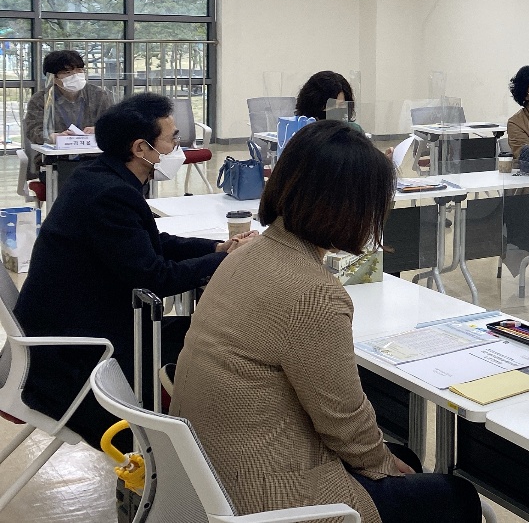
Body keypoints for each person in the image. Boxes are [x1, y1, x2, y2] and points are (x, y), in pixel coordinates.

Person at [173, 121, 482, 523]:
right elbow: (343, 419)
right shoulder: (313, 293)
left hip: (209, 470)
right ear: (350, 209)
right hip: (267, 492)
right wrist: (382, 464)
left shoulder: (246, 254)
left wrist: (381, 459)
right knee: (457, 495)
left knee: (402, 456)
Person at [13, 92, 256, 449]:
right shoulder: (108, 194)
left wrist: (216, 249)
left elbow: (149, 242)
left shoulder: (101, 177)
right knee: (213, 343)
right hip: (75, 352)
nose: (178, 148)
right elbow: (155, 277)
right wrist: (227, 260)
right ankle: (181, 446)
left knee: (207, 333)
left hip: (81, 323)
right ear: (141, 148)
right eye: (172, 139)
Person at [18, 49, 114, 189]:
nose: (76, 76)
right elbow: (33, 130)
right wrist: (52, 137)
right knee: (75, 181)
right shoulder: (40, 99)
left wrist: (99, 130)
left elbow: (114, 124)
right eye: (68, 72)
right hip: (56, 162)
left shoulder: (98, 95)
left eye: (79, 70)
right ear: (53, 77)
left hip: (94, 160)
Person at [295, 69, 360, 129]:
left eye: (341, 105)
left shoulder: (353, 131)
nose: (336, 110)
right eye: (330, 105)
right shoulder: (298, 130)